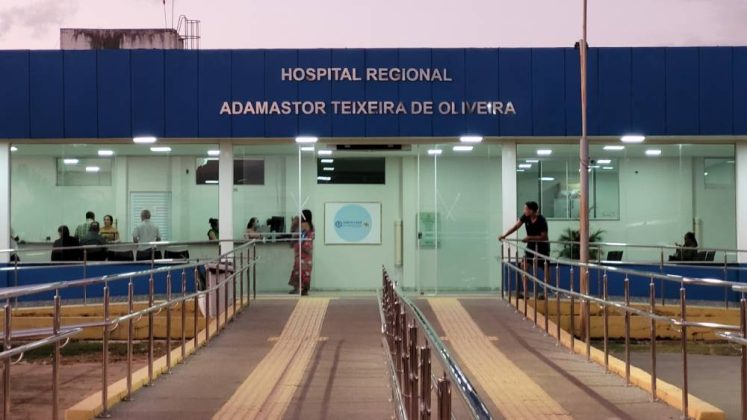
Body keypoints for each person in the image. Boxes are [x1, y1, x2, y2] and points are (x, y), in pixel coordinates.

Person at [499, 201, 550, 265]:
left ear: (531, 211)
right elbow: (515, 227)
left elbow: (544, 237)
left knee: (544, 265)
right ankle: (524, 272)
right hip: (531, 245)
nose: (524, 211)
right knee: (523, 264)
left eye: (526, 209)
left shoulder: (541, 220)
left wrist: (529, 237)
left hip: (542, 247)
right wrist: (505, 235)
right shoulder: (526, 217)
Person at [288, 209, 315, 296]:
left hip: (301, 250)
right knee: (306, 271)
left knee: (298, 269)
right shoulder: (311, 226)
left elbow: (294, 233)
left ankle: (297, 288)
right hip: (308, 251)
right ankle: (305, 289)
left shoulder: (302, 225)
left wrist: (294, 222)